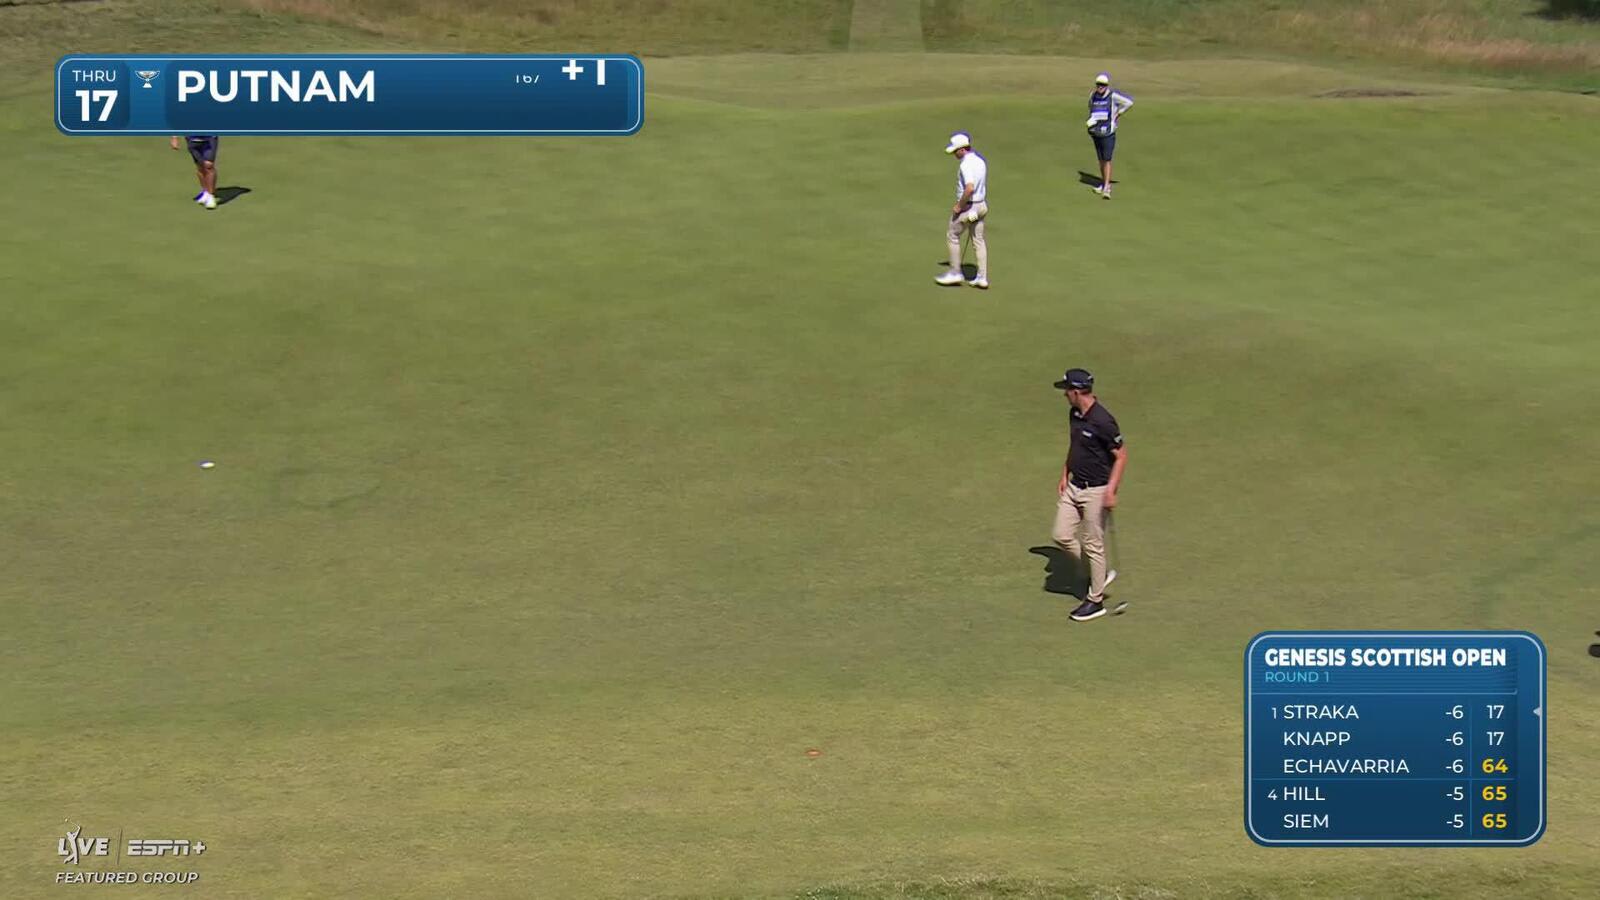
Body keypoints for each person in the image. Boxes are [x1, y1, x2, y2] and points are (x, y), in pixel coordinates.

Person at [1050, 368, 1127, 621]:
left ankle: (1096, 601)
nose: (1064, 395)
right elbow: (1076, 446)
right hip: (1074, 486)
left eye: (1066, 390)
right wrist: (1065, 473)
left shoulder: (1103, 421)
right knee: (1061, 535)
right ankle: (1098, 574)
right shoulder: (1074, 413)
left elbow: (1121, 456)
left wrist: (1111, 490)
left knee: (1093, 543)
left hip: (1097, 490)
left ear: (1076, 391)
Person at [934, 132, 988, 290]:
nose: (954, 154)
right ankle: (982, 278)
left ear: (962, 149)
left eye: (955, 151)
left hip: (969, 208)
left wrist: (959, 206)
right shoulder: (980, 161)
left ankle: (955, 273)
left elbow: (970, 188)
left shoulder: (965, 165)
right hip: (981, 208)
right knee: (978, 240)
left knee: (953, 235)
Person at [1085, 73, 1133, 199]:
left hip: (1108, 133)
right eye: (1098, 84)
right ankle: (1103, 183)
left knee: (1107, 160)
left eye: (1103, 85)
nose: (1100, 87)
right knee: (1101, 159)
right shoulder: (1093, 95)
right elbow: (1091, 108)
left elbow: (1128, 103)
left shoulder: (1112, 96)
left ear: (1107, 86)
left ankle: (1107, 187)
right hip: (1096, 132)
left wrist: (1118, 114)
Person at [171, 135, 220, 209]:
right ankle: (205, 192)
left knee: (208, 166)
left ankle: (210, 196)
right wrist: (174, 137)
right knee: (200, 166)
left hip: (209, 138)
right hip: (192, 139)